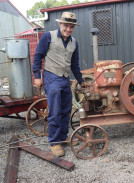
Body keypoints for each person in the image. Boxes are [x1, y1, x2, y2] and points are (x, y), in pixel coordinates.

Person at [32, 12, 84, 157]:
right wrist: (37, 76)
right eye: (66, 25)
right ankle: (54, 142)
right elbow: (38, 57)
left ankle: (62, 136)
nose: (68, 29)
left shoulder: (74, 43)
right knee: (54, 111)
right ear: (60, 24)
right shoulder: (48, 36)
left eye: (71, 26)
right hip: (51, 76)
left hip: (65, 78)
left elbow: (74, 64)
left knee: (66, 109)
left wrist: (81, 80)